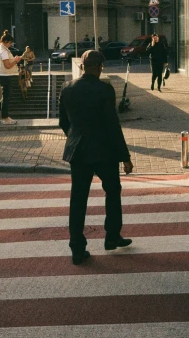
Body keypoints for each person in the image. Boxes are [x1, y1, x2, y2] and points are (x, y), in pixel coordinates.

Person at [59, 50, 134, 265]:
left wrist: (75, 139)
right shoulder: (105, 89)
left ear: (82, 66)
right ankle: (112, 236)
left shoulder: (67, 88)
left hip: (78, 151)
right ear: (99, 67)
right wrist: (125, 156)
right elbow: (112, 125)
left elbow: (64, 123)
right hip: (104, 151)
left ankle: (77, 248)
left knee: (78, 199)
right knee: (112, 191)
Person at [0, 30, 22, 125]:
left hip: (4, 76)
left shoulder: (2, 49)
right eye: (10, 43)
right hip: (5, 76)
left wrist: (14, 59)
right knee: (6, 97)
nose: (10, 45)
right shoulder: (3, 51)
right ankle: (4, 117)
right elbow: (7, 65)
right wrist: (16, 61)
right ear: (6, 42)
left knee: (6, 96)